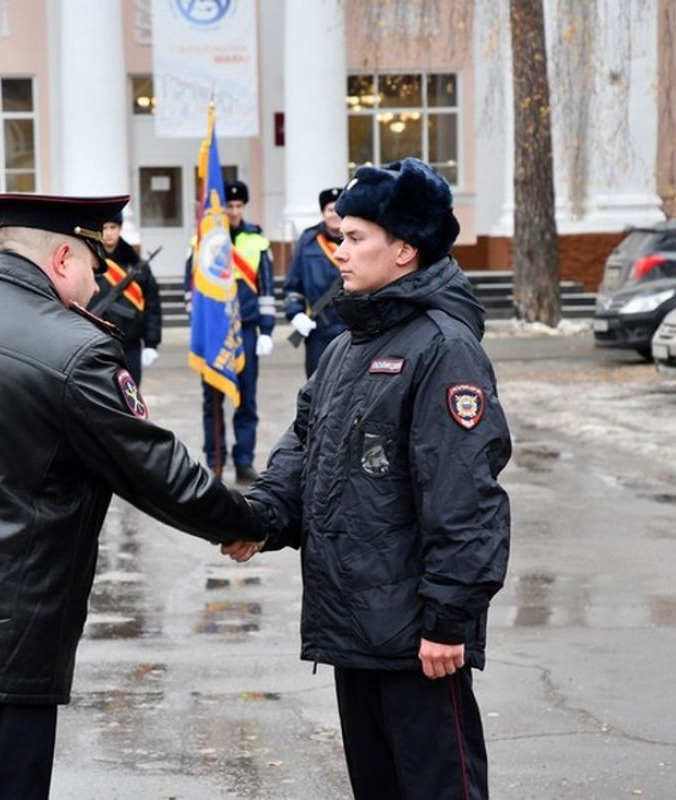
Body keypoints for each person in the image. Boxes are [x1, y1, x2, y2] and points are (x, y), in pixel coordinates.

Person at [0, 192, 265, 800]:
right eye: (94, 269)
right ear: (64, 257)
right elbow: (157, 471)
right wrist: (250, 519)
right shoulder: (75, 349)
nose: (95, 288)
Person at [223, 158, 512, 799]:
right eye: (339, 238)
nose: (339, 253)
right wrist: (263, 518)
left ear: (405, 248)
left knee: (439, 789)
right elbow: (307, 444)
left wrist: (447, 618)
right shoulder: (349, 345)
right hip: (355, 623)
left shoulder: (444, 347)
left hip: (417, 636)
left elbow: (466, 496)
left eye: (356, 239)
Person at [183, 179, 276, 483]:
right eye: (229, 206)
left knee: (246, 399)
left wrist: (266, 330)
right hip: (214, 331)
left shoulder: (256, 239)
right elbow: (191, 289)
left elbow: (266, 288)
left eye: (239, 206)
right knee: (212, 399)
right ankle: (215, 460)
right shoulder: (204, 240)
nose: (234, 212)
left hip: (246, 329)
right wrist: (198, 325)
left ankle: (245, 460)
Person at [87, 211, 162, 385]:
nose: (108, 232)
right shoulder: (89, 261)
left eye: (113, 227)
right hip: (96, 342)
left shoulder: (136, 265)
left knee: (130, 397)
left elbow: (152, 305)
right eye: (104, 227)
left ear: (120, 229)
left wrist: (151, 343)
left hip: (130, 344)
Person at [284, 187, 348, 377]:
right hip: (319, 329)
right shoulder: (308, 241)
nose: (334, 214)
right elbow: (293, 284)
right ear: (322, 213)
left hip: (351, 327)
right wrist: (295, 314)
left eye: (338, 209)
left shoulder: (356, 239)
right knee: (316, 387)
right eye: (330, 210)